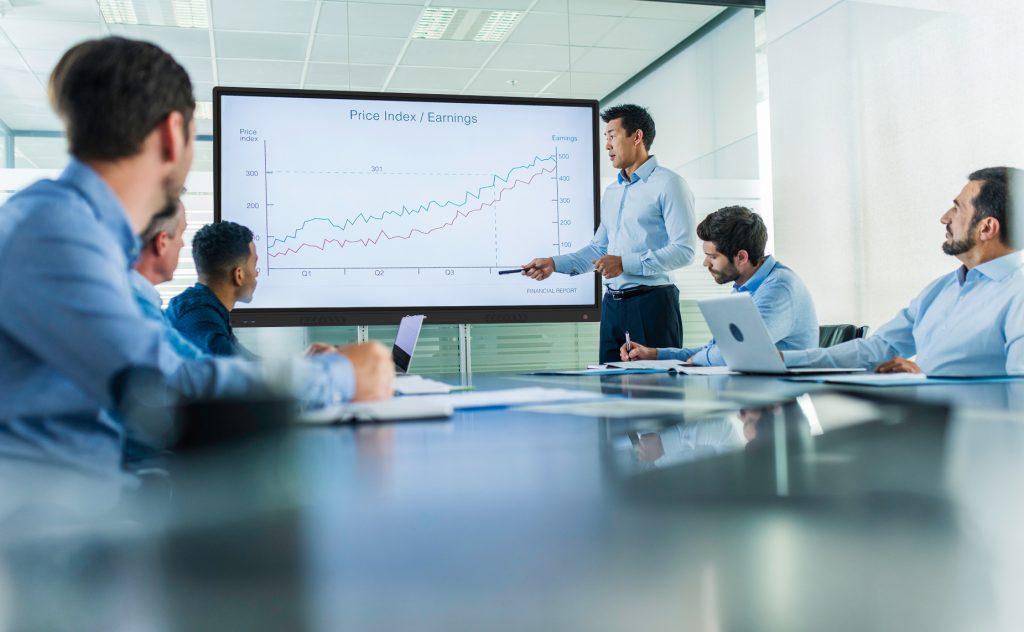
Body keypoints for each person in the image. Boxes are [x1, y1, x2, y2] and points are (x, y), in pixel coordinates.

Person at [0, 37, 392, 472]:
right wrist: (339, 375)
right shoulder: (52, 233)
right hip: (62, 523)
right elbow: (169, 388)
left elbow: (180, 365)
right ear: (173, 134)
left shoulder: (74, 233)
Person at [784, 167, 1024, 375]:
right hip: (925, 422)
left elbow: (1017, 392)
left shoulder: (1017, 294)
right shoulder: (940, 290)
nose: (944, 218)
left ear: (986, 228)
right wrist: (785, 360)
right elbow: (879, 348)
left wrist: (926, 381)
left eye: (957, 209)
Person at [521, 104, 696, 363]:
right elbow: (599, 249)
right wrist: (554, 264)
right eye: (606, 138)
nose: (607, 145)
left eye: (612, 136)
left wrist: (624, 263)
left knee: (658, 393)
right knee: (610, 389)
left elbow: (684, 251)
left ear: (637, 137)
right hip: (613, 306)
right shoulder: (613, 192)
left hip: (652, 304)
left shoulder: (670, 184)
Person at [620, 206, 818, 365]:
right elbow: (716, 350)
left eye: (713, 257)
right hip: (755, 393)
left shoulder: (779, 288)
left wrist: (695, 361)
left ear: (741, 257)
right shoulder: (745, 287)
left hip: (782, 401)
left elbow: (737, 353)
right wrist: (654, 354)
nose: (706, 264)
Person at [167, 221, 260, 358]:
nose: (256, 273)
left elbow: (250, 361)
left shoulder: (206, 308)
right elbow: (238, 367)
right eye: (254, 265)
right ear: (238, 275)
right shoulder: (198, 318)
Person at [132, 198, 204, 359]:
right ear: (162, 242)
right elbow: (186, 368)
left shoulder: (139, 299)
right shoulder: (137, 308)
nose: (182, 244)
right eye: (181, 234)